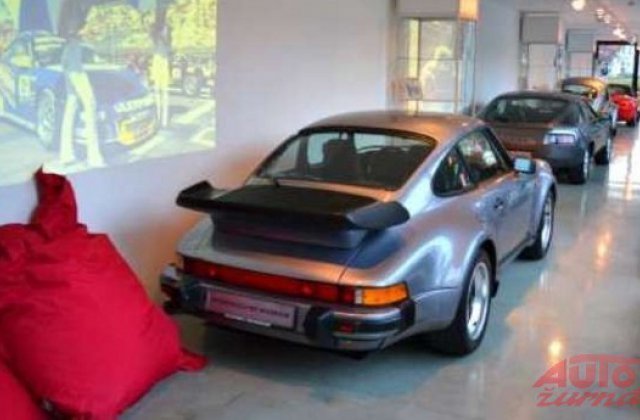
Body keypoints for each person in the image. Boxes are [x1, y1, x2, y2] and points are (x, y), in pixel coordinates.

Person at [58, 28, 104, 167]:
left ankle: (66, 154)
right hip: (73, 60)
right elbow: (72, 31)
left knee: (72, 104)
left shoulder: (70, 18)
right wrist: (85, 31)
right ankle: (93, 156)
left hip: (71, 56)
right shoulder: (74, 18)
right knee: (90, 103)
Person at [149, 33, 171, 128]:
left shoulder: (158, 52)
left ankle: (161, 120)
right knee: (161, 100)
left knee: (160, 99)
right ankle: (162, 121)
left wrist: (153, 77)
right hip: (161, 77)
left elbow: (158, 67)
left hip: (161, 77)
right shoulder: (163, 52)